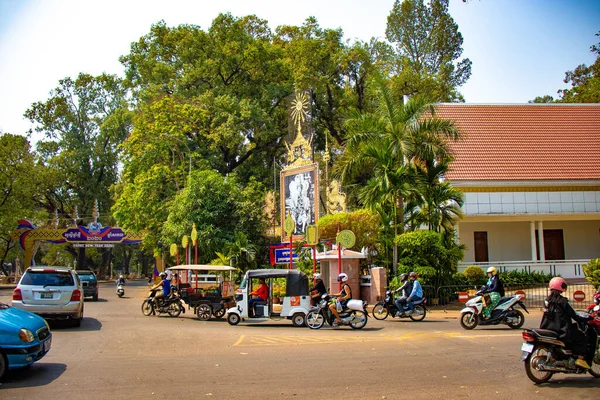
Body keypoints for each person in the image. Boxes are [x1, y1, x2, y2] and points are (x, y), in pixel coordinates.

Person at [539, 277, 591, 370]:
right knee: (582, 337)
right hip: (561, 330)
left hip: (547, 328)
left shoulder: (547, 300)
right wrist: (582, 319)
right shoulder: (563, 301)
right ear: (562, 286)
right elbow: (573, 314)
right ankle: (580, 358)